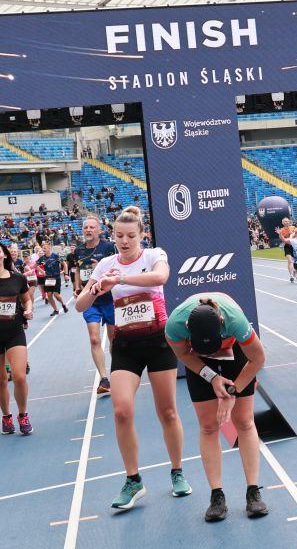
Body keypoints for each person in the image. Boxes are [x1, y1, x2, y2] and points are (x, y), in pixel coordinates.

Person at [75, 206, 191, 509]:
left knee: (167, 412)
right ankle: (133, 480)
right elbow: (80, 304)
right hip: (126, 344)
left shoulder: (153, 256)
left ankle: (177, 471)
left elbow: (161, 277)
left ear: (142, 235)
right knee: (122, 411)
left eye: (130, 236)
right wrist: (97, 288)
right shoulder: (106, 264)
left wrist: (121, 279)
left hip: (158, 342)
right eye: (119, 236)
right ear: (113, 236)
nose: (124, 241)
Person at [165, 293, 268, 521]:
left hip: (236, 352)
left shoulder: (235, 319)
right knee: (208, 426)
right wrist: (211, 377)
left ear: (221, 324)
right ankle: (216, 496)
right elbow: (183, 355)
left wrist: (233, 391)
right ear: (188, 330)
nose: (213, 352)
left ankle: (253, 491)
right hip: (197, 359)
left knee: (244, 421)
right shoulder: (174, 325)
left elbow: (259, 358)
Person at [72, 216, 118, 395]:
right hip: (91, 300)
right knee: (94, 338)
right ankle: (104, 378)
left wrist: (100, 268)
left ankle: (117, 372)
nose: (88, 230)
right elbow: (77, 270)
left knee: (114, 337)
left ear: (99, 230)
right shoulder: (79, 250)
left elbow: (118, 268)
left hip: (110, 298)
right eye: (86, 227)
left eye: (92, 227)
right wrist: (77, 287)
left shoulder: (109, 247)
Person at [0, 248, 33, 435]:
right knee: (1, 380)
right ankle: (6, 417)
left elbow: (26, 300)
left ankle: (23, 414)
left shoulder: (18, 278)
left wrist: (28, 309)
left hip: (14, 332)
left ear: (4, 254)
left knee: (19, 376)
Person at [39, 240, 68, 316]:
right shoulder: (42, 258)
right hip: (48, 279)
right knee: (49, 295)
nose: (43, 250)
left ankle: (63, 304)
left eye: (45, 248)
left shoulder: (55, 256)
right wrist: (42, 271)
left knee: (56, 295)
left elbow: (65, 264)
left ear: (49, 248)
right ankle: (56, 310)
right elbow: (35, 266)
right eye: (43, 248)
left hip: (56, 277)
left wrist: (65, 273)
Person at [275, 218, 296, 283]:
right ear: (282, 223)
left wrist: (293, 234)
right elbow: (283, 239)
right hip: (287, 247)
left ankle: (294, 270)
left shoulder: (293, 228)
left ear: (289, 222)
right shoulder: (281, 230)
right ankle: (291, 276)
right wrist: (280, 234)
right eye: (285, 221)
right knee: (290, 261)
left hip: (295, 246)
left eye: (287, 221)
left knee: (296, 262)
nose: (286, 222)